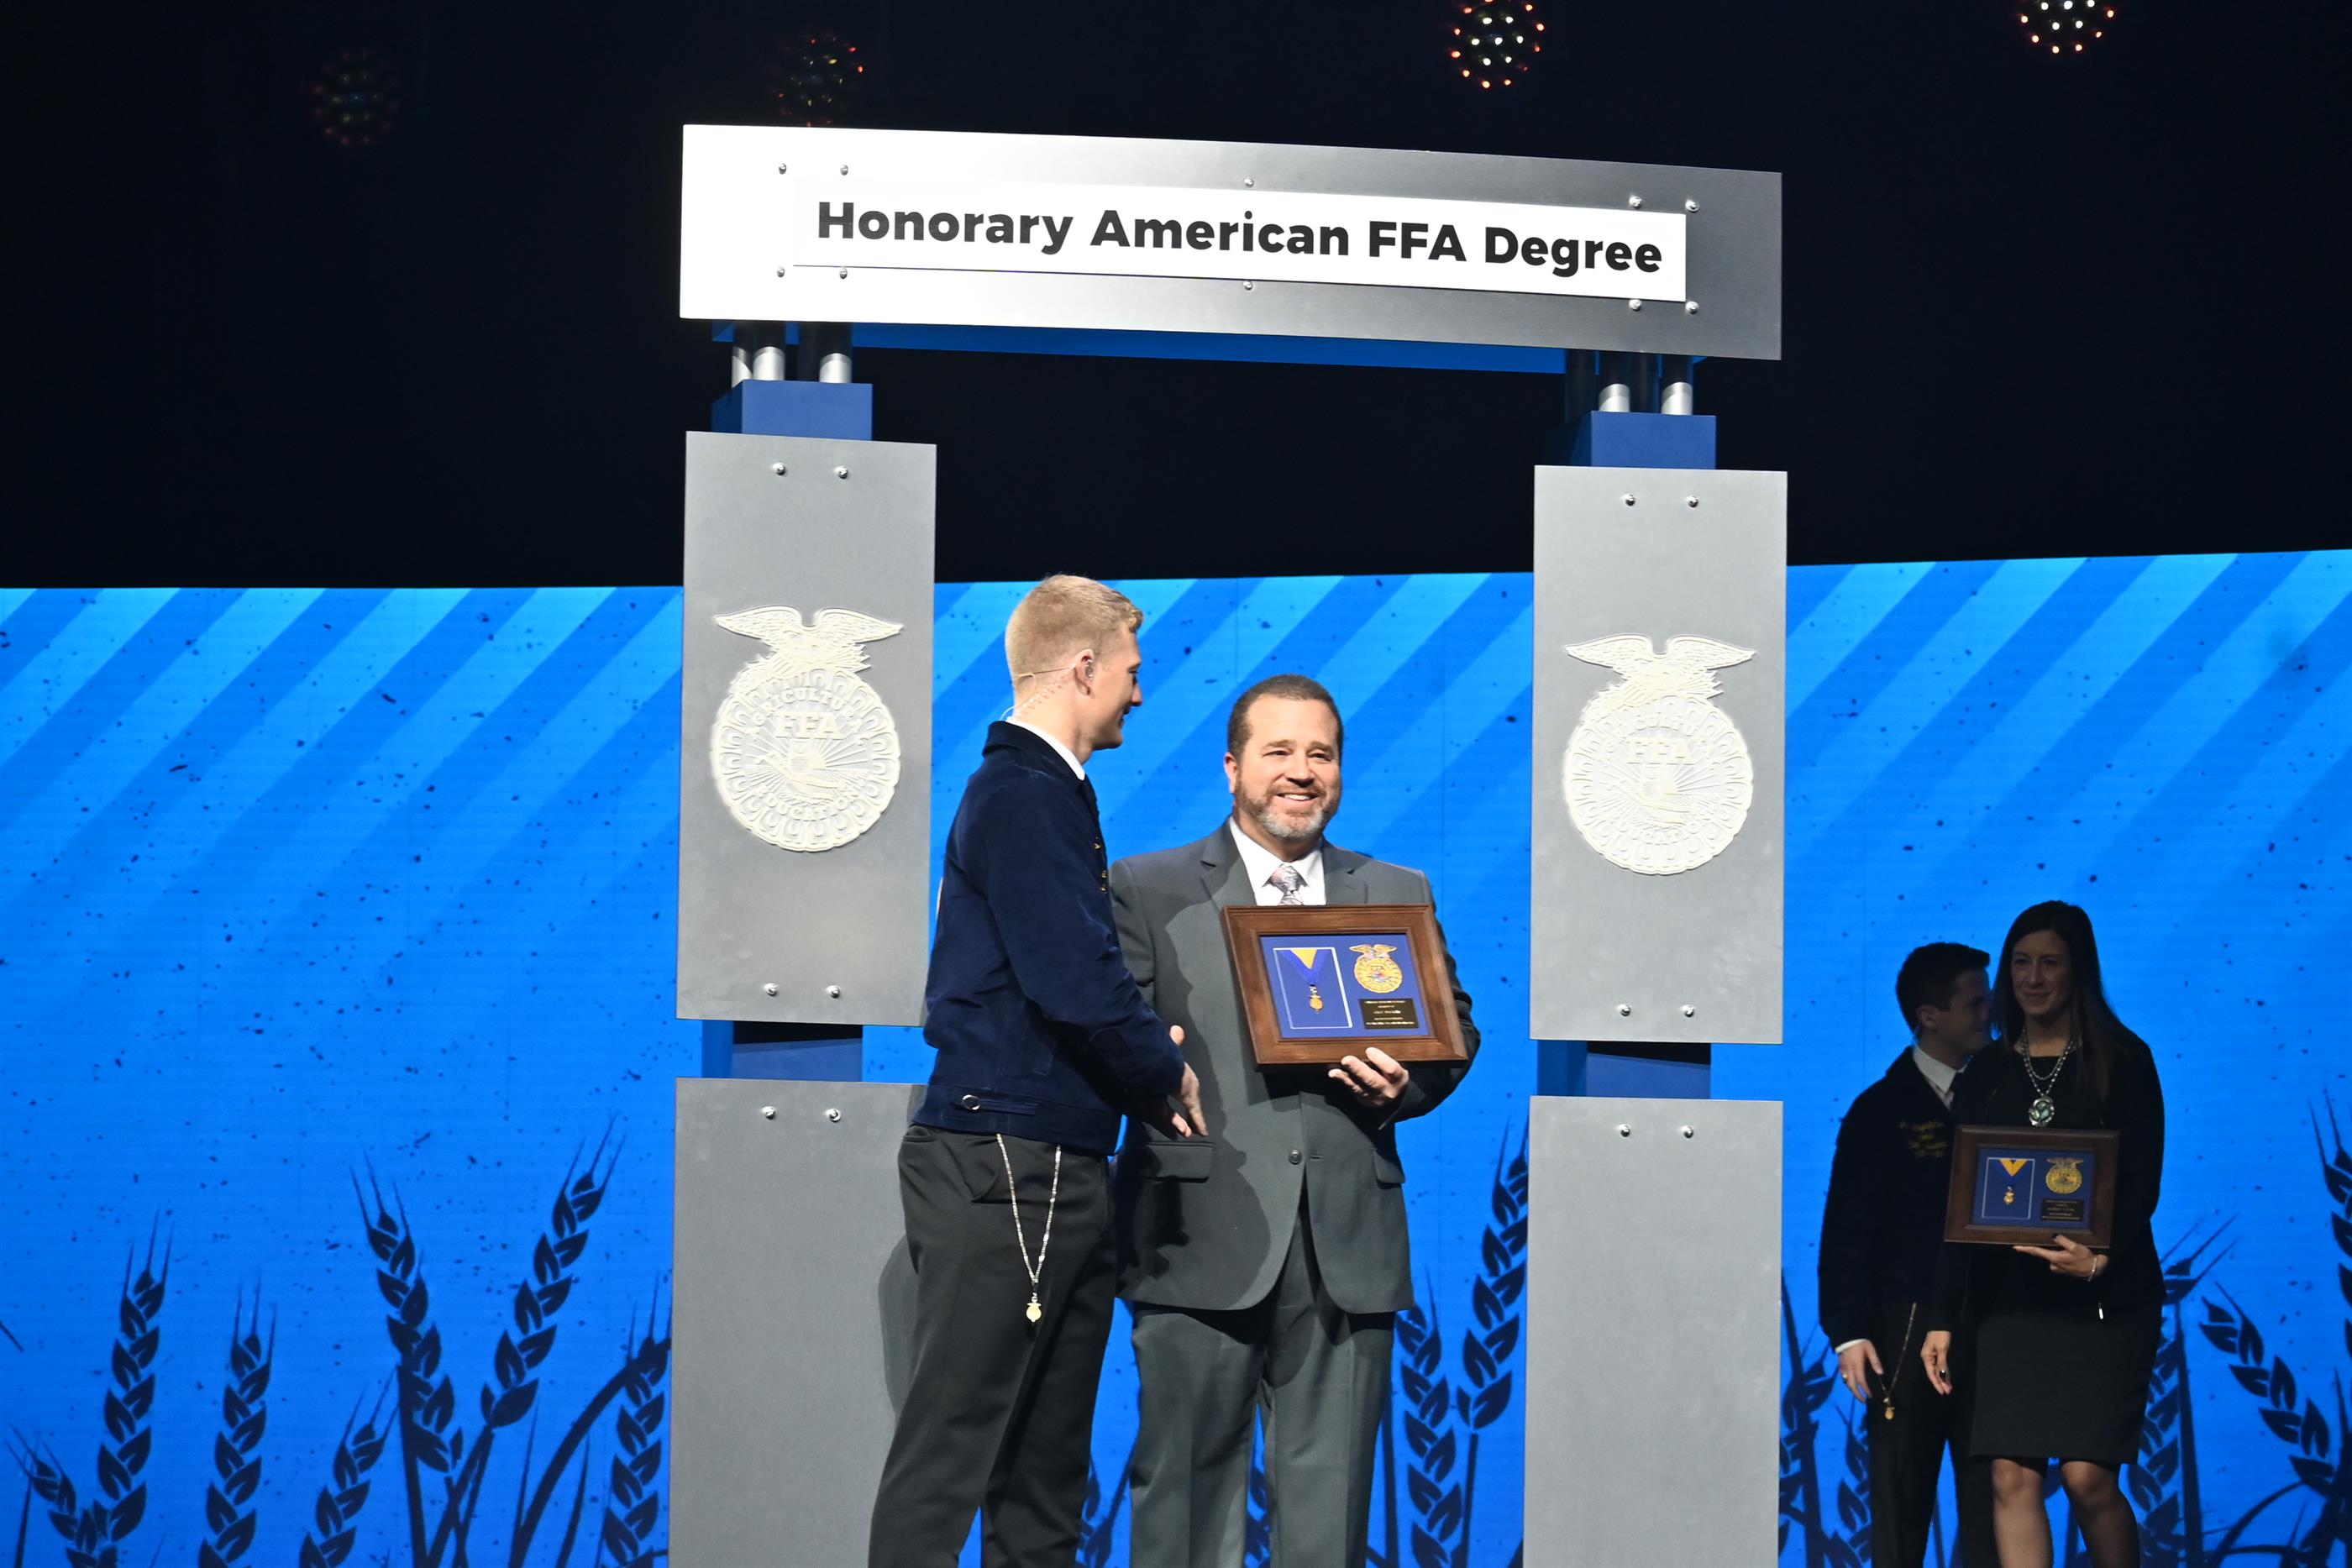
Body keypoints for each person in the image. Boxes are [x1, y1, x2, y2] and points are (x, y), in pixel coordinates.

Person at [869, 574, 1208, 1568]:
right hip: (1004, 1165)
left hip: (1049, 1160)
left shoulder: (1045, 793)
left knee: (1043, 1476)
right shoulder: (1022, 795)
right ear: (1084, 667)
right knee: (950, 1457)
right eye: (1132, 671)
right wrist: (1160, 1072)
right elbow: (1075, 977)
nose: (1140, 692)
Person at [1108, 674, 1479, 1568]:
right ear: (1232, 766)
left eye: (1321, 753)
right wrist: (1144, 1062)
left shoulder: (1394, 888)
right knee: (1184, 1505)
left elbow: (1454, 1030)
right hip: (1197, 1235)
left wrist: (1405, 1086)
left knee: (1331, 1515)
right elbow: (1106, 1036)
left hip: (1347, 1246)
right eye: (1278, 750)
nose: (1301, 771)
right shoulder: (1146, 886)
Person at [1921, 902, 2166, 1568]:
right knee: (2011, 1474)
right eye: (2021, 963)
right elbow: (1961, 1202)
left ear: (2077, 969)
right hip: (2011, 1304)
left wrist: (2102, 1258)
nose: (2033, 977)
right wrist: (1942, 1316)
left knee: (2088, 1478)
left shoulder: (2124, 1059)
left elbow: (2141, 1182)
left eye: (2049, 962)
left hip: (2103, 1301)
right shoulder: (1987, 1071)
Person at [1818, 942, 1998, 1568]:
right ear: (1929, 1015)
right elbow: (1846, 1229)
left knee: (1996, 1501)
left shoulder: (2005, 1097)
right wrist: (1848, 1332)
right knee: (1899, 1499)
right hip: (1903, 1325)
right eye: (1976, 1002)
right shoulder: (1880, 1109)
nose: (1991, 1013)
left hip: (1991, 1321)